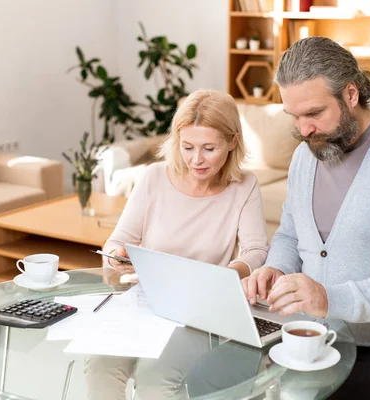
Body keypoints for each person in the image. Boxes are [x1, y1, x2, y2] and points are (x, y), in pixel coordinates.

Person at [242, 36, 370, 400]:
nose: (304, 130)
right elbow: (291, 235)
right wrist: (276, 267)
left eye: (313, 113)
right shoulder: (305, 158)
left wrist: (329, 298)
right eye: (294, 116)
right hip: (312, 337)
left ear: (351, 95)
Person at [85, 89, 269, 400]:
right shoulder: (154, 177)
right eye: (188, 147)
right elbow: (118, 241)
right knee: (101, 365)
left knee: (156, 379)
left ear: (232, 142)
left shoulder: (244, 186)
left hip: (199, 312)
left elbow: (256, 251)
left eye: (209, 148)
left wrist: (227, 273)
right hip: (145, 301)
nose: (196, 159)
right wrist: (118, 255)